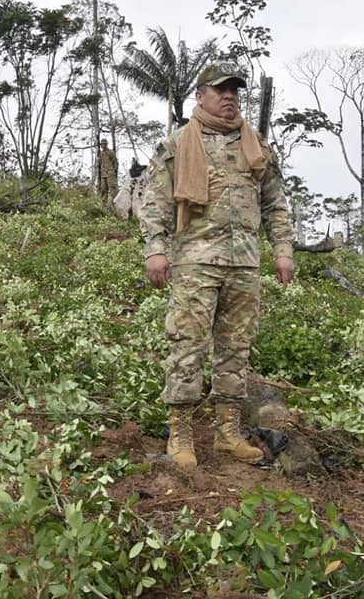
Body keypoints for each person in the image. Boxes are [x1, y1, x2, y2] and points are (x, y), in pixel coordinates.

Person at [138, 61, 296, 468]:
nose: (230, 97)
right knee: (187, 347)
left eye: (235, 91)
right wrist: (155, 249)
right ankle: (181, 436)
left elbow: (275, 203)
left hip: (244, 265)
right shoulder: (177, 144)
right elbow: (154, 201)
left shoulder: (255, 144)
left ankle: (227, 434)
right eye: (221, 90)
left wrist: (282, 251)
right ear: (201, 95)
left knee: (235, 351)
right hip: (195, 262)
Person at [98, 138, 119, 202]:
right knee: (103, 189)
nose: (103, 145)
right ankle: (103, 204)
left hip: (110, 173)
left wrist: (114, 171)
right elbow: (100, 163)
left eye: (104, 144)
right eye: (102, 144)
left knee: (113, 189)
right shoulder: (101, 154)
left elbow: (115, 162)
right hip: (103, 174)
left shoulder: (111, 152)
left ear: (106, 144)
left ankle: (115, 202)